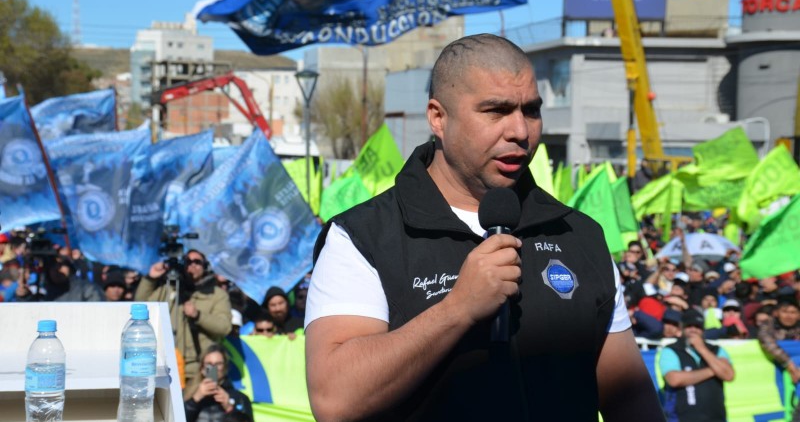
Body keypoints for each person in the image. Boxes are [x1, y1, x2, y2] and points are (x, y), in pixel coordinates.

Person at [304, 34, 663, 421]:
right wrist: (457, 310)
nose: (520, 132)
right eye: (496, 111)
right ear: (438, 117)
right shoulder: (363, 236)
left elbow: (628, 398)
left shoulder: (579, 235)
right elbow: (335, 400)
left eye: (531, 110)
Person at [135, 249, 232, 391]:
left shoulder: (217, 294)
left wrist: (199, 316)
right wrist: (150, 279)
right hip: (169, 365)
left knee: (205, 405)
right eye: (188, 262)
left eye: (197, 262)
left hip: (202, 367)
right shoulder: (169, 289)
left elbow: (224, 327)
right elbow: (140, 306)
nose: (192, 265)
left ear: (205, 266)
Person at [659, 309, 735, 421]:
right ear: (682, 327)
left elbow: (729, 375)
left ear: (703, 329)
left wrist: (702, 348)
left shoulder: (716, 349)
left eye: (698, 326)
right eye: (689, 326)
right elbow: (674, 379)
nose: (693, 330)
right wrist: (714, 370)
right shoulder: (671, 350)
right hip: (682, 418)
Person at [184, 344, 253, 422]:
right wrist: (195, 399)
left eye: (218, 364)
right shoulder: (187, 393)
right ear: (202, 368)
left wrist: (230, 408)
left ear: (225, 367)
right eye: (209, 364)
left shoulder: (240, 398)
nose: (214, 368)